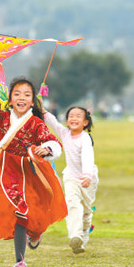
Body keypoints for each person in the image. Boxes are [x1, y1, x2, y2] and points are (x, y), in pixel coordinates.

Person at [0, 63, 67, 267]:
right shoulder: (2, 118)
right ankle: (20, 263)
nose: (22, 97)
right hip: (7, 171)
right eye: (17, 94)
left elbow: (52, 141)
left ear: (33, 100)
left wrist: (46, 149)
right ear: (10, 99)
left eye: (27, 94)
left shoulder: (37, 123)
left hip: (32, 172)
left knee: (36, 217)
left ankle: (36, 233)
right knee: (20, 212)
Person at [41, 101, 99, 254]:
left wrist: (87, 175)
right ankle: (75, 236)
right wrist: (41, 109)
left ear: (85, 122)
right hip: (71, 177)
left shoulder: (85, 138)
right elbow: (52, 121)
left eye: (78, 116)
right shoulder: (65, 133)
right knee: (72, 205)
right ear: (67, 121)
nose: (74, 118)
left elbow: (88, 157)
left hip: (88, 179)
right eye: (71, 116)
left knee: (86, 211)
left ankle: (84, 233)